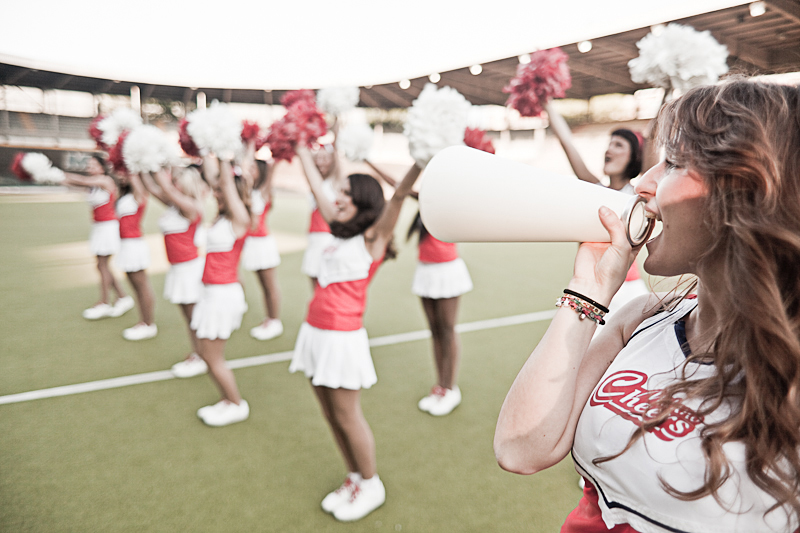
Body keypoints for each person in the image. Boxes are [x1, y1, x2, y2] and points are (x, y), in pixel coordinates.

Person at [494, 79, 800, 533]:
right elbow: (521, 449)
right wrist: (588, 289)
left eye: (673, 163)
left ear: (744, 193)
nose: (642, 182)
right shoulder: (641, 319)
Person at [290, 144, 421, 522]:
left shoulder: (372, 239)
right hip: (314, 332)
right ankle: (354, 477)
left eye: (347, 193)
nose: (338, 197)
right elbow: (317, 187)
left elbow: (396, 197)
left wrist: (420, 159)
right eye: (339, 192)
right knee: (329, 414)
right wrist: (300, 148)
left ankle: (371, 482)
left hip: (341, 338)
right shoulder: (339, 229)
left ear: (362, 200)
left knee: (347, 415)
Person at [366, 161, 472, 416]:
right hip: (426, 269)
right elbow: (398, 186)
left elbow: (402, 189)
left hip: (446, 270)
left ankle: (450, 387)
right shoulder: (427, 202)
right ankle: (440, 385)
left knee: (447, 330)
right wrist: (367, 160)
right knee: (435, 330)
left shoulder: (452, 203)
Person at [545, 101, 648, 311]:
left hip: (626, 290)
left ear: (634, 157)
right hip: (591, 288)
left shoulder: (637, 196)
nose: (609, 149)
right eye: (610, 143)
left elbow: (653, 142)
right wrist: (546, 104)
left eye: (619, 145)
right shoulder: (595, 190)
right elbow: (567, 143)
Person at [191, 156, 251, 427]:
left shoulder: (239, 219)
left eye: (220, 190)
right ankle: (228, 400)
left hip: (221, 295)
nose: (215, 193)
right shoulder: (221, 219)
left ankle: (236, 403)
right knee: (206, 354)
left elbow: (225, 180)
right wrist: (209, 149)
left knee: (213, 357)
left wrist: (224, 151)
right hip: (211, 293)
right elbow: (216, 176)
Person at [140, 167, 207, 377]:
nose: (173, 182)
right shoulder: (174, 205)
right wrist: (138, 166)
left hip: (189, 270)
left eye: (177, 180)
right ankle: (199, 352)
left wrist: (156, 161)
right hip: (178, 269)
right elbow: (152, 187)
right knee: (189, 318)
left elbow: (166, 188)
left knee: (193, 318)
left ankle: (202, 356)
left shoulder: (191, 206)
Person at [61, 155, 134, 320]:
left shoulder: (105, 180)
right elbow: (74, 183)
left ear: (102, 167)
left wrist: (58, 174)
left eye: (93, 164)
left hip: (108, 227)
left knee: (102, 265)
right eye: (88, 165)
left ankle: (104, 302)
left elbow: (81, 180)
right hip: (99, 227)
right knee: (102, 265)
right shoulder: (93, 185)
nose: (90, 168)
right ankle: (122, 297)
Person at [240, 144, 283, 341]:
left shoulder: (264, 192)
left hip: (262, 244)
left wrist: (279, 150)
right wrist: (249, 145)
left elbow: (273, 168)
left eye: (254, 169)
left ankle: (274, 320)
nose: (249, 171)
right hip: (247, 242)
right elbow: (244, 168)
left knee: (268, 284)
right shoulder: (245, 191)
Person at [115, 171, 157, 340]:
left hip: (134, 244)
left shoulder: (139, 194)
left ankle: (148, 323)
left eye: (125, 172)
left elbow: (136, 181)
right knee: (135, 284)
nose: (122, 175)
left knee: (142, 285)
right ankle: (143, 321)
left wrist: (131, 168)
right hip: (125, 244)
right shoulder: (124, 195)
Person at [300, 140, 345, 286]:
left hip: (327, 238)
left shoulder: (335, 182)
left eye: (325, 158)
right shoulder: (316, 182)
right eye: (318, 158)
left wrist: (336, 128)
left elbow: (338, 158)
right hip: (313, 237)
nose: (321, 162)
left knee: (325, 283)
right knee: (314, 282)